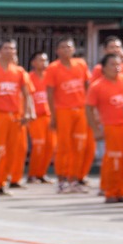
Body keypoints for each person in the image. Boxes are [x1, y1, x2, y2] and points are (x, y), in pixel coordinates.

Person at [0, 40, 34, 197]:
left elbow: (27, 93)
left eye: (12, 48)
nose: (9, 51)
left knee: (12, 152)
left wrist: (29, 112)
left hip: (16, 117)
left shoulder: (19, 71)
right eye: (6, 48)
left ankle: (2, 184)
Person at [44, 38, 90, 193]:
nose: (66, 50)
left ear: (74, 49)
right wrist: (53, 114)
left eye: (69, 47)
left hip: (80, 110)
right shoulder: (53, 68)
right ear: (57, 51)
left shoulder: (81, 64)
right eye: (62, 47)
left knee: (79, 146)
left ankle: (74, 179)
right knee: (63, 146)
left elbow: (86, 85)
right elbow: (50, 93)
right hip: (63, 110)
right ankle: (62, 180)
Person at [86, 53, 123, 203]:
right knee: (114, 161)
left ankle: (122, 192)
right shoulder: (97, 86)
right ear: (103, 68)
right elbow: (88, 109)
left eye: (118, 64)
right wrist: (96, 129)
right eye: (112, 64)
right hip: (112, 128)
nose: (116, 67)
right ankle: (111, 192)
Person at [26, 50, 54, 184]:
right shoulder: (29, 77)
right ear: (33, 63)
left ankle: (41, 173)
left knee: (50, 146)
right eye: (40, 60)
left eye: (45, 60)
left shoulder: (50, 76)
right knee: (38, 145)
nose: (43, 63)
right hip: (36, 116)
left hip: (49, 116)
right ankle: (32, 174)